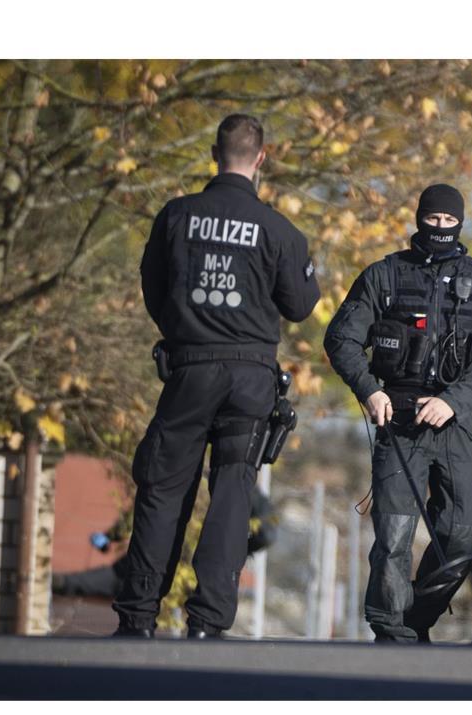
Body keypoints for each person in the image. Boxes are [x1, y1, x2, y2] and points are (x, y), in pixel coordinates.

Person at [113, 114, 320, 639]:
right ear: (262, 158)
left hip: (189, 370)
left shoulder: (176, 216)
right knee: (232, 492)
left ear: (213, 154)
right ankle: (206, 621)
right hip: (250, 380)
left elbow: (153, 286)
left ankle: (138, 616)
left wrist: (183, 330)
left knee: (163, 488)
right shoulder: (278, 230)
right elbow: (300, 305)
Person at [324, 183, 472, 643]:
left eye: (449, 221)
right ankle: (392, 632)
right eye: (433, 219)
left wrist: (453, 401)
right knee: (393, 535)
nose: (440, 227)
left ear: (460, 223)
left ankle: (415, 617)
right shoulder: (384, 276)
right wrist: (370, 391)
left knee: (466, 531)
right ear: (419, 218)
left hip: (456, 420)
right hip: (398, 420)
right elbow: (341, 339)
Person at [55, 487, 278, 600]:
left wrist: (110, 537)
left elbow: (152, 503)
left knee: (126, 579)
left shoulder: (230, 487)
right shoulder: (239, 490)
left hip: (172, 555)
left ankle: (61, 583)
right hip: (180, 561)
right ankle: (59, 583)